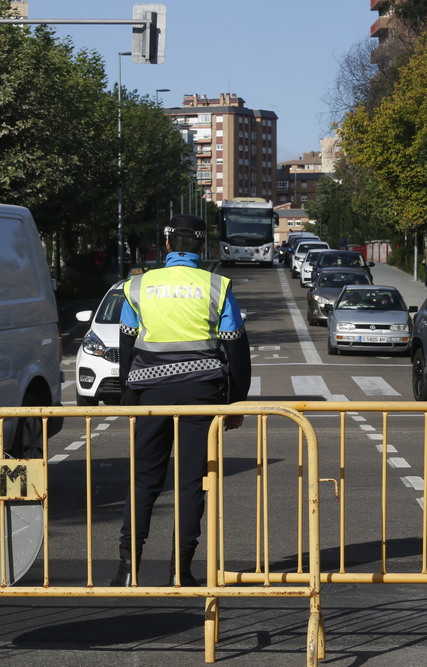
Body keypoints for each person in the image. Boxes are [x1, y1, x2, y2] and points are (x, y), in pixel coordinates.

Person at [111, 214, 252, 588]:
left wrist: (130, 394)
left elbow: (127, 343)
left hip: (150, 393)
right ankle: (181, 569)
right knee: (192, 482)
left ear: (168, 245)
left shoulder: (138, 286)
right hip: (201, 392)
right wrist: (235, 402)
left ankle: (127, 568)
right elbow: (237, 347)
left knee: (144, 480)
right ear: (202, 247)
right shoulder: (216, 286)